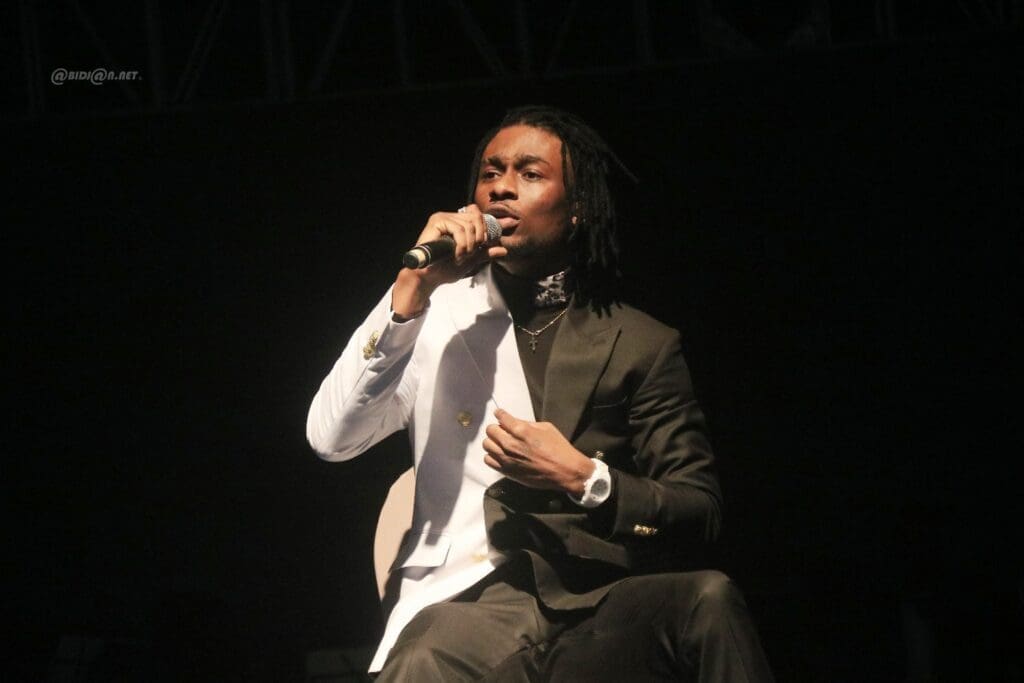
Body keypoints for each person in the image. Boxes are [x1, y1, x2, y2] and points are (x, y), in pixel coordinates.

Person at [306, 105, 773, 681]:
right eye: (491, 173)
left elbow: (698, 509)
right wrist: (409, 291)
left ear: (578, 209)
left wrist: (586, 478)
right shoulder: (434, 315)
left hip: (602, 599)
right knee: (424, 657)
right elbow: (331, 438)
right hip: (473, 601)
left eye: (530, 174)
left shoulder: (640, 342)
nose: (502, 187)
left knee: (709, 599)